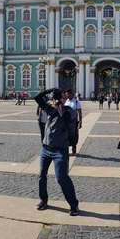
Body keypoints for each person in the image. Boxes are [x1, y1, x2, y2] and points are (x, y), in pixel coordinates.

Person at [34, 88, 80, 216]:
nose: (56, 101)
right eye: (56, 99)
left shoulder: (70, 111)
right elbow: (37, 98)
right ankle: (43, 200)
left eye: (61, 99)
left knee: (61, 177)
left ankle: (73, 204)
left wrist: (59, 101)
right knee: (41, 176)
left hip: (60, 150)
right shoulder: (50, 109)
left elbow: (63, 115)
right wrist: (48, 91)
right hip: (46, 148)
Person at [64, 89, 83, 154]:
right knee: (66, 135)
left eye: (67, 94)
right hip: (66, 122)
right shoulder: (65, 101)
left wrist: (80, 122)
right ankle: (66, 149)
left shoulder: (76, 102)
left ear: (71, 94)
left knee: (74, 135)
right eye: (66, 94)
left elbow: (79, 112)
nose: (66, 95)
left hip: (73, 122)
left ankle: (74, 148)